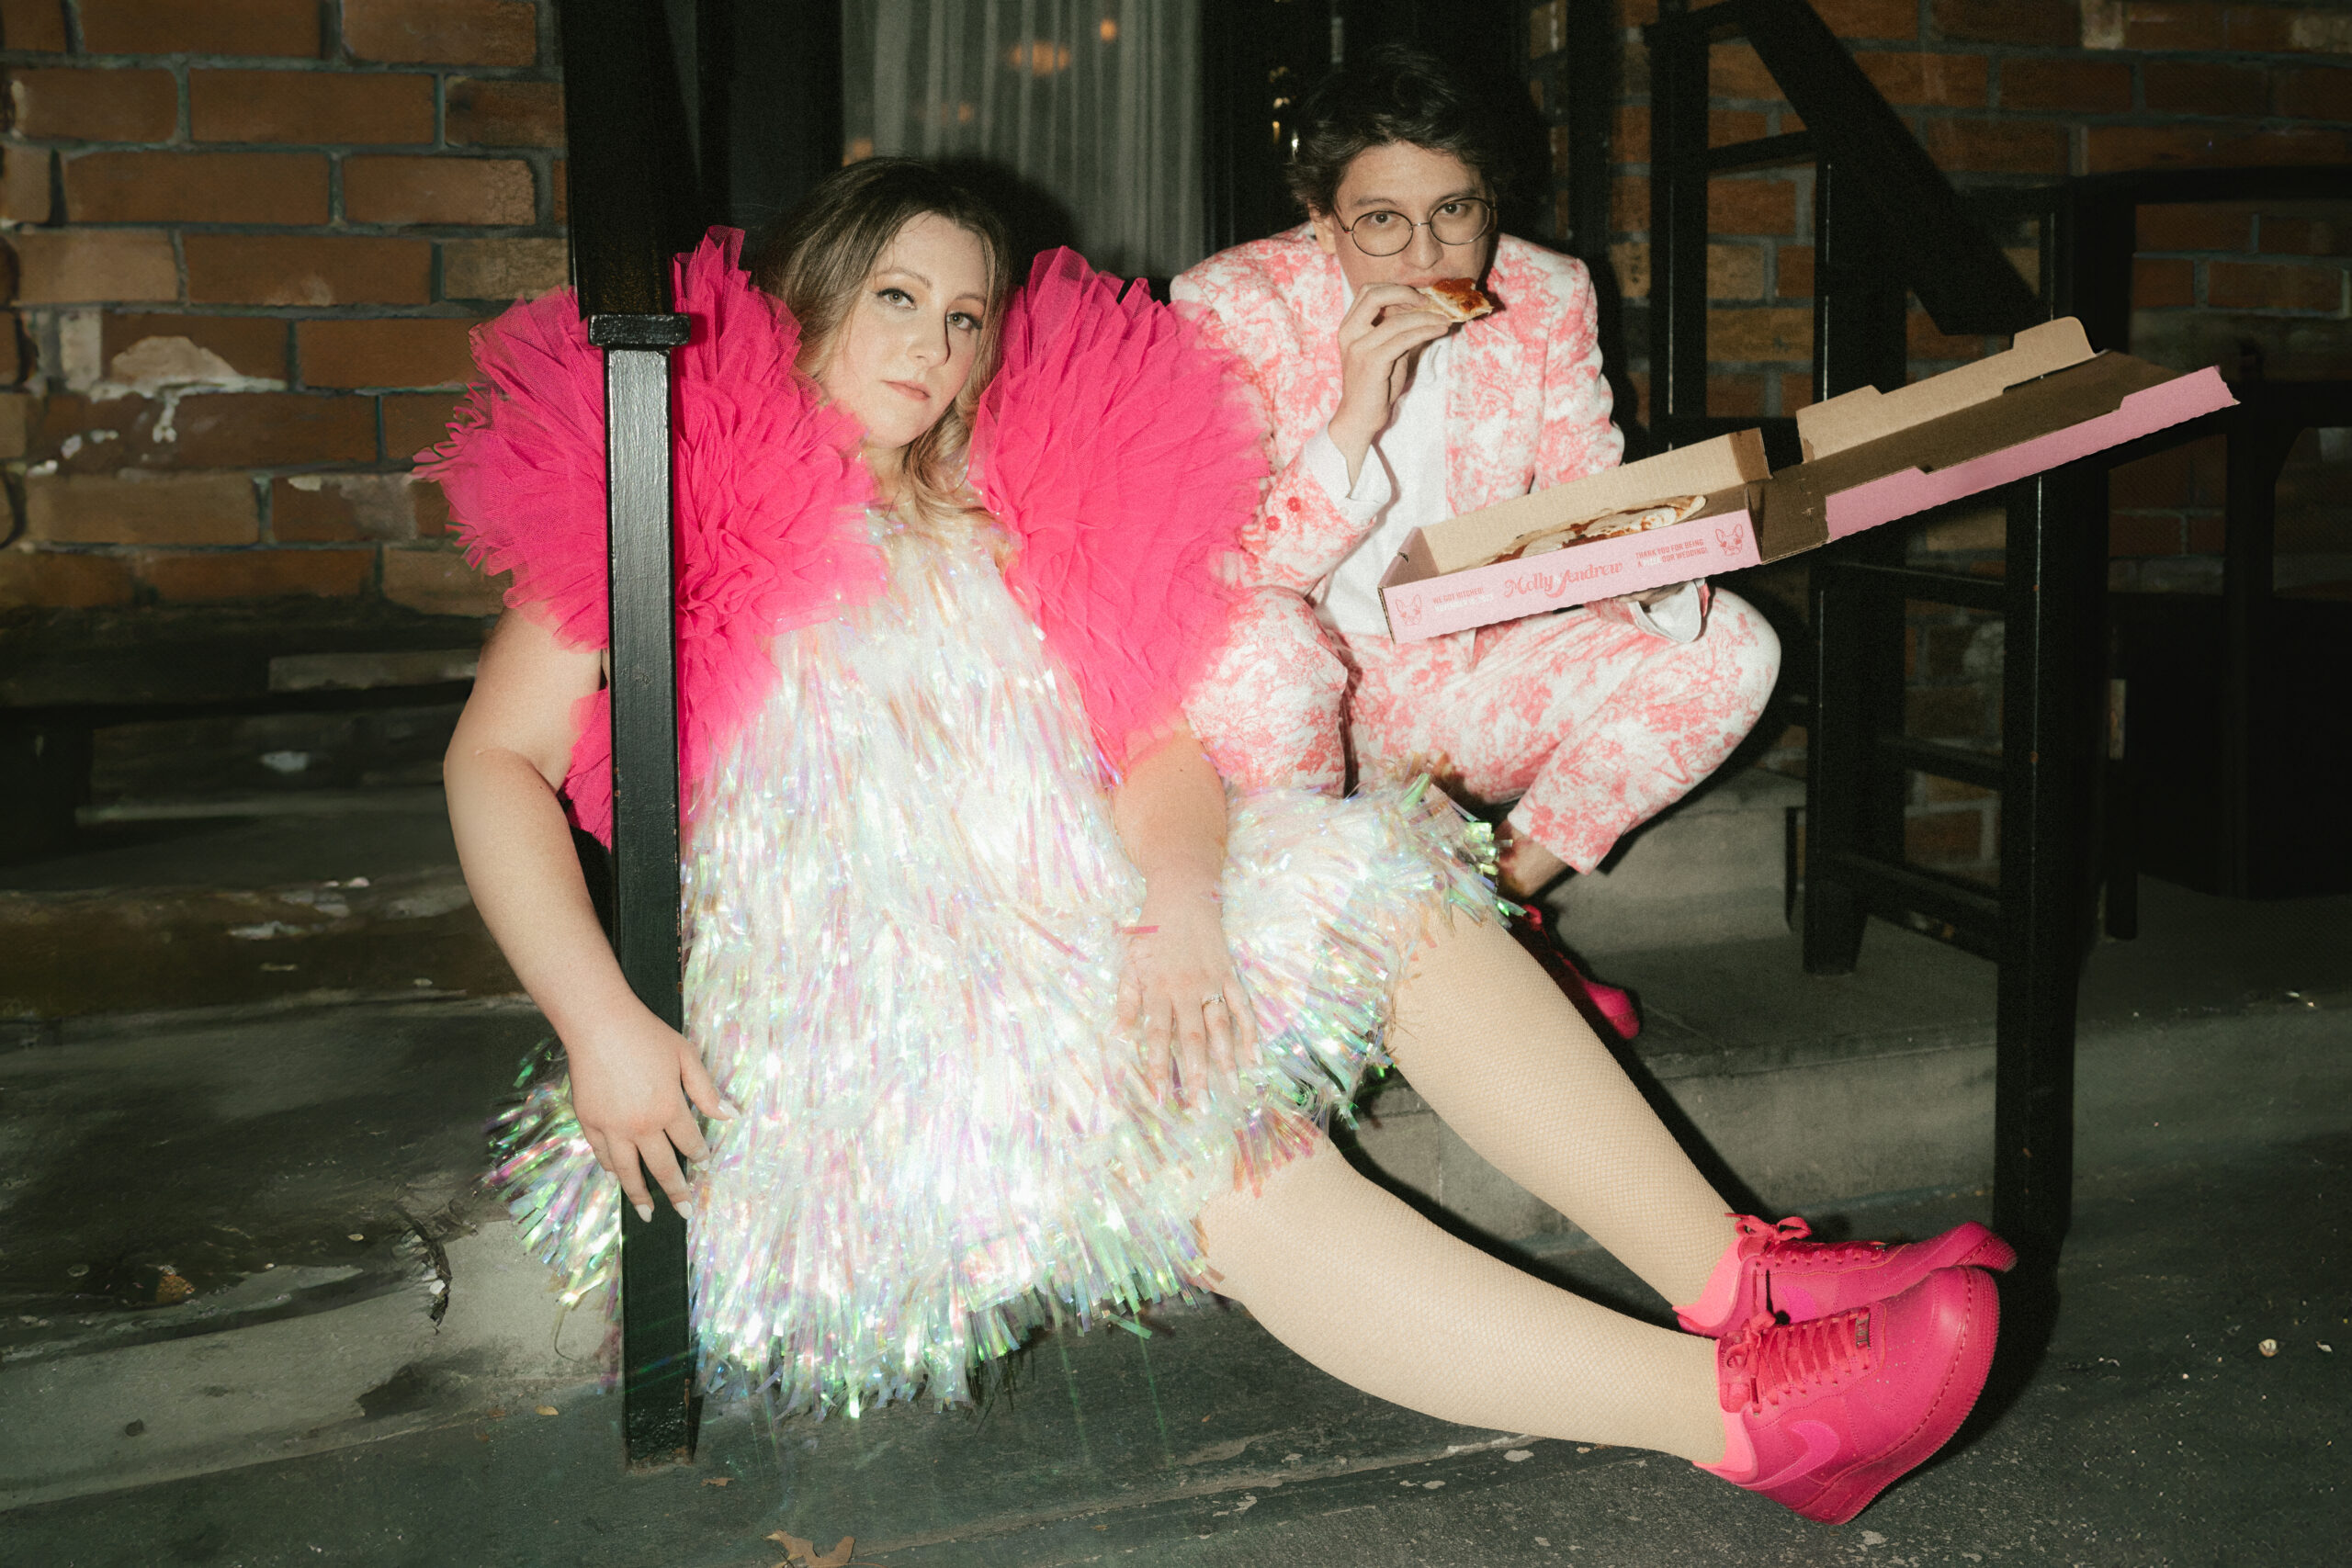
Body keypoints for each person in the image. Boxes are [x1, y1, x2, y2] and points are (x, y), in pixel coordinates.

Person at [433, 158, 2007, 1527]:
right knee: (1217, 1150)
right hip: (881, 1008)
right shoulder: (670, 508)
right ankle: (1749, 1421)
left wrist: (1182, 902)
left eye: (967, 313)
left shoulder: (999, 517)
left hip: (1074, 905)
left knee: (1386, 883)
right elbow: (493, 763)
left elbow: (1159, 748)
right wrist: (601, 1022)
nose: (934, 343)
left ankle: (1746, 1282)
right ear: (807, 298)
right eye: (898, 297)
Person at [1173, 46, 1782, 1024]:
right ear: (1320, 220)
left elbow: (1587, 498)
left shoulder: (1546, 293)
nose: (1425, 257)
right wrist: (1354, 414)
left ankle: (1484, 909)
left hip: (1479, 681)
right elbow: (1241, 571)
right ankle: (1307, 936)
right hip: (1310, 699)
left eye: (1455, 212)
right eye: (1380, 222)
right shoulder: (1233, 303)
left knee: (1731, 645)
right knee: (1252, 645)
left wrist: (1663, 565)